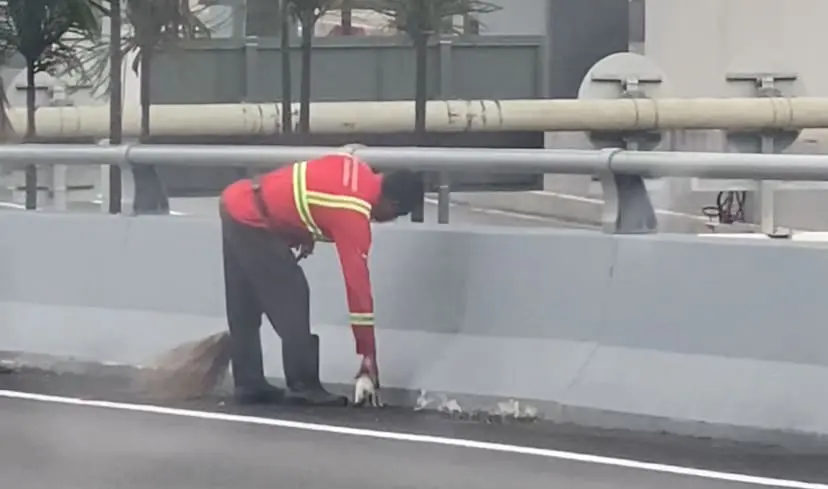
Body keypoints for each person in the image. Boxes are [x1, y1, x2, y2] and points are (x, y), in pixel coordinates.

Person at [218, 146, 424, 406]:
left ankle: (248, 382)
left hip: (238, 201)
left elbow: (307, 189)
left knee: (244, 303)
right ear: (392, 204)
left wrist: (302, 232)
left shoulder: (355, 167)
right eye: (396, 215)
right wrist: (367, 355)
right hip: (253, 220)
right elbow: (357, 287)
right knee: (293, 294)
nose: (386, 221)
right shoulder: (353, 212)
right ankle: (303, 384)